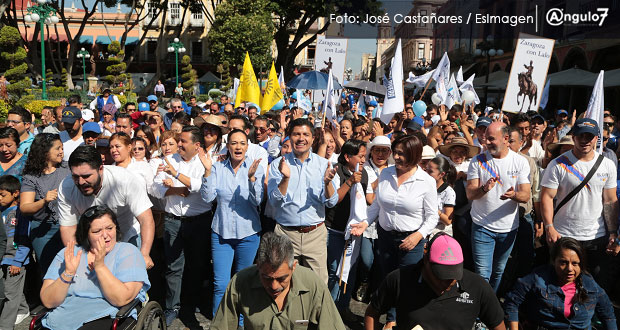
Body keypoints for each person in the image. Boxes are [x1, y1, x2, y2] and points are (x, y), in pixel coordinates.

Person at [353, 134, 439, 329]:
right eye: (397, 152)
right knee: (388, 279)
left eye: (403, 154)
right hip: (385, 236)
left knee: (407, 283)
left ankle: (404, 321)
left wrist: (418, 236)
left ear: (416, 156)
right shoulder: (386, 173)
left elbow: (432, 217)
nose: (397, 157)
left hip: (412, 240)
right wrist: (365, 223)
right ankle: (391, 318)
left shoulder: (426, 181)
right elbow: (377, 205)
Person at [39, 206, 150, 330]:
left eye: (109, 228)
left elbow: (121, 299)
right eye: (97, 231)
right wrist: (68, 273)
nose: (105, 235)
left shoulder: (128, 252)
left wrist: (100, 267)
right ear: (86, 234)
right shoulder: (69, 254)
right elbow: (48, 301)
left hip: (107, 315)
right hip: (65, 315)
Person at [364, 233, 506, 330]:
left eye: (452, 277)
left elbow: (498, 325)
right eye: (440, 276)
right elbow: (372, 313)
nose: (446, 283)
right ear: (426, 260)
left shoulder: (478, 287)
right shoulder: (399, 279)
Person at [541, 118, 619, 290]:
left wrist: (613, 232)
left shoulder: (607, 165)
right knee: (561, 281)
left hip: (596, 235)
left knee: (595, 281)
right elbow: (546, 197)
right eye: (581, 135)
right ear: (573, 136)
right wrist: (549, 227)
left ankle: (590, 315)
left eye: (589, 136)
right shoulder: (557, 164)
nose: (585, 140)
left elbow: (610, 200)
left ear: (596, 138)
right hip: (564, 234)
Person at [211, 232, 346, 329]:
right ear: (257, 265)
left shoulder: (313, 285)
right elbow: (222, 325)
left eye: (282, 278)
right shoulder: (240, 282)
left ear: (294, 267)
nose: (274, 286)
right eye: (267, 278)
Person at [199, 129, 264, 319]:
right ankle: (221, 322)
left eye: (242, 143)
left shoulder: (255, 168)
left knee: (243, 283)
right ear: (228, 146)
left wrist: (252, 178)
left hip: (248, 234)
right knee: (221, 284)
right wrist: (208, 171)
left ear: (247, 146)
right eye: (234, 143)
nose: (238, 147)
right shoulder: (218, 167)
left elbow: (257, 201)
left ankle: (242, 322)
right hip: (221, 234)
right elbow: (208, 197)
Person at [151, 126, 212, 326]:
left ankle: (190, 304)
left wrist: (175, 176)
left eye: (183, 141)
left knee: (196, 265)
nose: (179, 145)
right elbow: (156, 189)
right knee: (173, 266)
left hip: (199, 221)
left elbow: (198, 186)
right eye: (179, 141)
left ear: (196, 145)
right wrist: (178, 189)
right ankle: (172, 307)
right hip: (173, 221)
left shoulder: (204, 162)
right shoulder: (168, 160)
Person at [57, 145, 155, 268]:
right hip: (93, 241)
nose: (81, 182)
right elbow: (68, 228)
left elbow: (146, 219)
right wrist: (78, 258)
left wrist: (144, 254)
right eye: (76, 177)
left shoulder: (124, 180)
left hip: (128, 236)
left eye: (86, 176)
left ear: (101, 169)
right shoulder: (66, 187)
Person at [267, 118, 339, 284]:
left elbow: (332, 202)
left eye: (305, 134)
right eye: (296, 134)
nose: (301, 138)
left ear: (313, 138)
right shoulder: (279, 164)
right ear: (289, 137)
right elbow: (273, 202)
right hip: (285, 234)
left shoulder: (324, 165)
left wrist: (327, 183)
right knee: (282, 282)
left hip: (315, 234)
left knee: (318, 285)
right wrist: (285, 179)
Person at [466, 122, 531, 292]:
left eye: (491, 139)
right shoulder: (477, 161)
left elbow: (526, 195)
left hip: (508, 228)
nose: (486, 142)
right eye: (485, 138)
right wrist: (484, 189)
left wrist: (514, 195)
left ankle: (489, 306)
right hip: (482, 226)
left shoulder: (520, 162)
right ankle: (480, 310)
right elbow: (470, 194)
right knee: (483, 274)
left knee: (498, 271)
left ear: (506, 139)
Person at [504, 237, 616, 330]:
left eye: (575, 263)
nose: (569, 269)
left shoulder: (591, 285)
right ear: (554, 261)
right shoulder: (537, 279)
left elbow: (608, 314)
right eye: (563, 263)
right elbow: (512, 302)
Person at [325, 139, 369, 316]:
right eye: (360, 156)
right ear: (347, 156)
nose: (363, 160)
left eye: (365, 156)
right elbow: (334, 200)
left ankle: (343, 308)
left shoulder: (364, 173)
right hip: (335, 230)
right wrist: (350, 181)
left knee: (349, 271)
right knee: (335, 271)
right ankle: (329, 311)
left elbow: (368, 199)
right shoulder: (337, 171)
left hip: (353, 233)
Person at [20, 133, 70, 274]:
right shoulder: (31, 177)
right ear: (45, 151)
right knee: (49, 272)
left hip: (69, 225)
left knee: (71, 268)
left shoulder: (68, 169)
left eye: (62, 148)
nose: (62, 151)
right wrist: (43, 201)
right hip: (43, 231)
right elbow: (25, 207)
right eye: (57, 148)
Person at [0, 175, 30, 328]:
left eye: (2, 195)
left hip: (16, 260)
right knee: (10, 289)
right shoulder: (2, 211)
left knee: (10, 294)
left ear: (16, 193)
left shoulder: (20, 213)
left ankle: (5, 325)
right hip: (4, 258)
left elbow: (24, 239)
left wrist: (18, 261)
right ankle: (23, 309)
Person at [426, 157, 457, 236]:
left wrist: (434, 209)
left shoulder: (448, 192)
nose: (426, 174)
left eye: (430, 172)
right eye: (426, 170)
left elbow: (448, 221)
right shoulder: (423, 187)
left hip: (438, 233)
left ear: (442, 174)